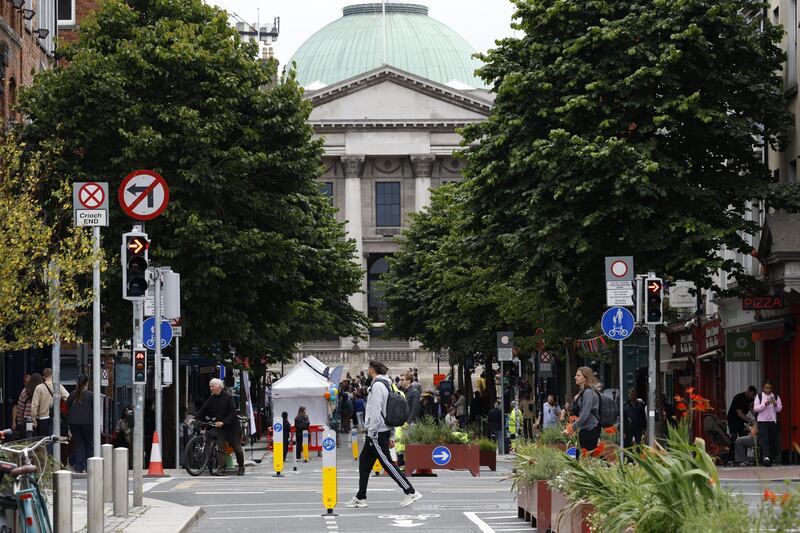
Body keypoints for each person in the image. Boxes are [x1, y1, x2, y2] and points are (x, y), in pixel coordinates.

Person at [345, 360, 421, 509]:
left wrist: (372, 431)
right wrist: (391, 434)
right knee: (364, 462)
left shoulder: (378, 385)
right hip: (382, 430)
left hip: (377, 431)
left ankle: (410, 491)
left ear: (372, 370)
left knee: (387, 463)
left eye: (368, 369)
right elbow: (391, 410)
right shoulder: (388, 384)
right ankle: (361, 496)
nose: (367, 371)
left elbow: (376, 410)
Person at [196, 378, 245, 476]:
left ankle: (241, 466)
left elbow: (233, 413)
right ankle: (221, 469)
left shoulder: (228, 397)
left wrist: (223, 422)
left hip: (232, 427)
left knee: (237, 448)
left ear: (218, 386)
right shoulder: (212, 397)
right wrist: (195, 418)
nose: (211, 388)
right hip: (221, 428)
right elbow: (205, 408)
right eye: (210, 386)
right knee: (221, 449)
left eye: (212, 386)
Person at [566, 367, 601, 453]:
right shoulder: (585, 391)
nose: (575, 377)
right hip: (587, 429)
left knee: (587, 456)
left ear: (585, 377)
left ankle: (608, 466)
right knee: (586, 456)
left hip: (590, 430)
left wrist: (571, 428)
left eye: (578, 375)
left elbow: (585, 414)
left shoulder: (588, 392)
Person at [30, 368, 70, 442]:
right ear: (52, 376)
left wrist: (33, 418)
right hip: (55, 417)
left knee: (43, 441)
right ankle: (53, 453)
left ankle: (46, 453)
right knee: (54, 440)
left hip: (42, 418)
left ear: (43, 377)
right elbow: (68, 398)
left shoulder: (39, 388)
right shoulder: (58, 386)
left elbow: (34, 404)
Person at [67, 375, 93, 473]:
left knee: (79, 445)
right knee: (90, 444)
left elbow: (67, 408)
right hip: (88, 422)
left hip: (73, 423)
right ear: (87, 383)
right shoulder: (90, 395)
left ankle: (79, 467)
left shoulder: (72, 395)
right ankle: (89, 466)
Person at [753, 380, 782, 467]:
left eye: (769, 388)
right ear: (763, 388)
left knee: (772, 440)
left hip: (772, 421)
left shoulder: (775, 396)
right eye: (766, 388)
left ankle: (771, 457)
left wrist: (775, 404)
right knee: (765, 439)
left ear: (771, 388)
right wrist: (764, 405)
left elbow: (779, 409)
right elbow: (755, 408)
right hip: (762, 421)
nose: (768, 390)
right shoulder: (759, 396)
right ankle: (766, 457)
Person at [13, 373, 42, 439]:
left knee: (27, 442)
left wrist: (19, 422)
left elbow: (20, 409)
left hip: (26, 421)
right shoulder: (41, 391)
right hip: (40, 420)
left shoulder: (24, 392)